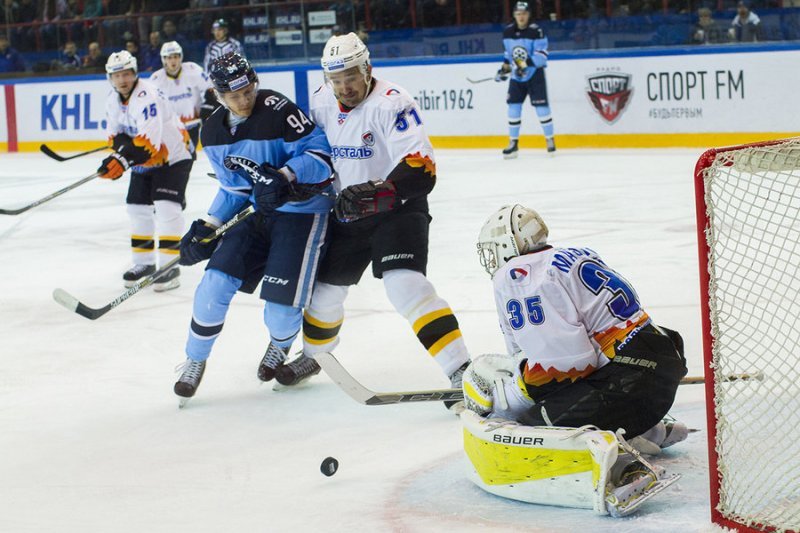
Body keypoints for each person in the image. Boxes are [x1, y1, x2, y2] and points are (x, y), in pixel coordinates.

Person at [282, 32, 471, 402]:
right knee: (323, 294)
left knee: (405, 286)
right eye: (335, 79)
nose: (343, 86)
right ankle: (314, 356)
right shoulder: (320, 102)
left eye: (350, 76)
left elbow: (422, 168)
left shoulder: (394, 103)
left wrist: (380, 192)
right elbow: (310, 154)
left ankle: (461, 369)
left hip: (396, 211)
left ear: (367, 68)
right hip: (348, 211)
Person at [173, 52, 335, 403]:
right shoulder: (213, 131)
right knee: (213, 285)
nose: (244, 100)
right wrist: (209, 224)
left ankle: (280, 344)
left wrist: (285, 175)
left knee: (279, 312)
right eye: (234, 96)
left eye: (248, 91)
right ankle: (195, 359)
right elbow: (234, 189)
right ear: (218, 96)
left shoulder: (279, 110)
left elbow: (323, 158)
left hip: (303, 212)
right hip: (255, 213)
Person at [466, 204, 689, 453]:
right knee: (560, 397)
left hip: (630, 381)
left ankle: (617, 455)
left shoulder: (521, 275)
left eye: (493, 250)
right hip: (659, 363)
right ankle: (647, 430)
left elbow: (565, 367)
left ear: (507, 245)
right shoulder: (573, 254)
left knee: (529, 433)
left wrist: (509, 399)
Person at [99, 50, 194, 291]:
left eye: (127, 74)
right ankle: (144, 263)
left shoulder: (146, 94)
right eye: (117, 75)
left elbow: (147, 143)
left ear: (135, 73)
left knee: (166, 207)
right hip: (146, 160)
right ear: (110, 78)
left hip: (174, 156)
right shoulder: (112, 99)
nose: (122, 80)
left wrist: (122, 160)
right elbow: (114, 135)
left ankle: (169, 265)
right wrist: (118, 156)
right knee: (137, 208)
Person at [495, 1, 555, 158]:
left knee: (542, 108)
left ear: (529, 15)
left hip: (535, 75)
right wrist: (504, 70)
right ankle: (513, 143)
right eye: (518, 14)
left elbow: (542, 57)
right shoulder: (508, 32)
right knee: (513, 107)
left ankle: (550, 140)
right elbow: (508, 56)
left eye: (524, 14)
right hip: (517, 77)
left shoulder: (537, 31)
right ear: (514, 15)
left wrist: (523, 63)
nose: (521, 17)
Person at [149, 41, 215, 150]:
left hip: (192, 124)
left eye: (175, 57)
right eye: (169, 58)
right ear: (163, 59)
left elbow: (210, 88)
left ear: (181, 57)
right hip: (170, 128)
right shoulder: (156, 80)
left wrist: (207, 107)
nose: (173, 61)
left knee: (189, 158)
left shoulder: (193, 70)